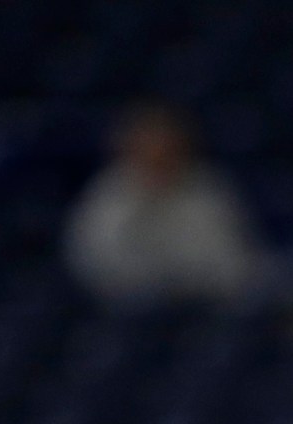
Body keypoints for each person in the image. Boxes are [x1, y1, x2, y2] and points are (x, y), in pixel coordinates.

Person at [64, 102, 266, 308]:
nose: (158, 155)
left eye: (166, 147)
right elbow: (93, 262)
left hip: (205, 310)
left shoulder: (209, 190)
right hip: (126, 314)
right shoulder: (107, 195)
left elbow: (236, 263)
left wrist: (189, 282)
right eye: (148, 147)